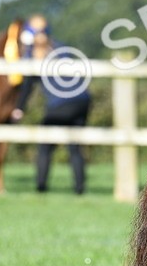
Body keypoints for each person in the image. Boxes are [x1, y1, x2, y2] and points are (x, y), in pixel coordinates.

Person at [11, 26, 91, 194]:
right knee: (75, 146)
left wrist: (19, 108)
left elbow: (27, 85)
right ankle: (80, 189)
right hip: (82, 100)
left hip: (61, 104)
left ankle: (41, 187)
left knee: (45, 146)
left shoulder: (34, 56)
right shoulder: (60, 48)